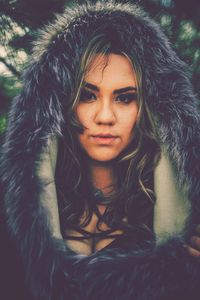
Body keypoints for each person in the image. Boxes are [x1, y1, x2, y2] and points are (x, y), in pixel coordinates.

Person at [1, 1, 200, 299]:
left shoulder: (188, 221)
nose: (104, 116)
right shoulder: (11, 214)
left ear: (151, 111)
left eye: (124, 98)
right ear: (60, 106)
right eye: (87, 95)